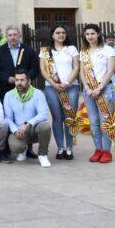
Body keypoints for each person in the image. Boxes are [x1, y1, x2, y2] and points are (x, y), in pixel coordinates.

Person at [39, 25, 80, 161]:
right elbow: (43, 70)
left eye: (63, 33)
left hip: (71, 87)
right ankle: (60, 148)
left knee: (69, 117)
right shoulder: (45, 51)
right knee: (57, 119)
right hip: (52, 88)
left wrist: (67, 83)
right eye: (58, 33)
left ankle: (69, 148)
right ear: (52, 35)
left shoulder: (72, 49)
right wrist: (53, 84)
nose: (61, 35)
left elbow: (76, 67)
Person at [80, 23, 115, 164]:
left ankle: (107, 151)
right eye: (87, 34)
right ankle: (98, 149)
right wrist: (87, 88)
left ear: (98, 34)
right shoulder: (84, 52)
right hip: (89, 91)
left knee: (105, 121)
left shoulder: (108, 50)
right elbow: (82, 72)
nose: (90, 36)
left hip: (105, 89)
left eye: (92, 33)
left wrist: (99, 88)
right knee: (94, 123)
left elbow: (110, 70)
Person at [3, 69, 52, 167]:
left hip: (34, 129)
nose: (19, 83)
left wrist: (28, 124)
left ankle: (42, 155)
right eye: (17, 80)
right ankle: (23, 150)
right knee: (16, 147)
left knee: (45, 126)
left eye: (22, 80)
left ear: (29, 81)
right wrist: (15, 130)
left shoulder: (38, 93)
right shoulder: (9, 95)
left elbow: (43, 114)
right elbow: (7, 118)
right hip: (19, 130)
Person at [0, 25, 39, 102]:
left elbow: (35, 68)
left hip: (25, 89)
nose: (12, 37)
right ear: (6, 37)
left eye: (15, 35)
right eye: (10, 35)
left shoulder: (29, 50)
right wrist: (7, 78)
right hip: (5, 89)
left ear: (20, 36)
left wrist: (25, 79)